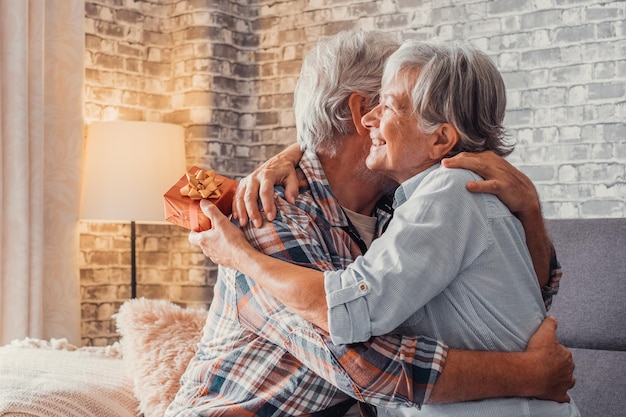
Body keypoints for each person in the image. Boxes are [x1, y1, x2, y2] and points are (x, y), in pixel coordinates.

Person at [168, 31, 573, 417]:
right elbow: (361, 366)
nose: (378, 118)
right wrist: (531, 374)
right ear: (361, 112)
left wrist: (530, 210)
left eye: (394, 104)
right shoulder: (267, 211)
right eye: (384, 101)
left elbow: (523, 296)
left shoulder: (403, 205)